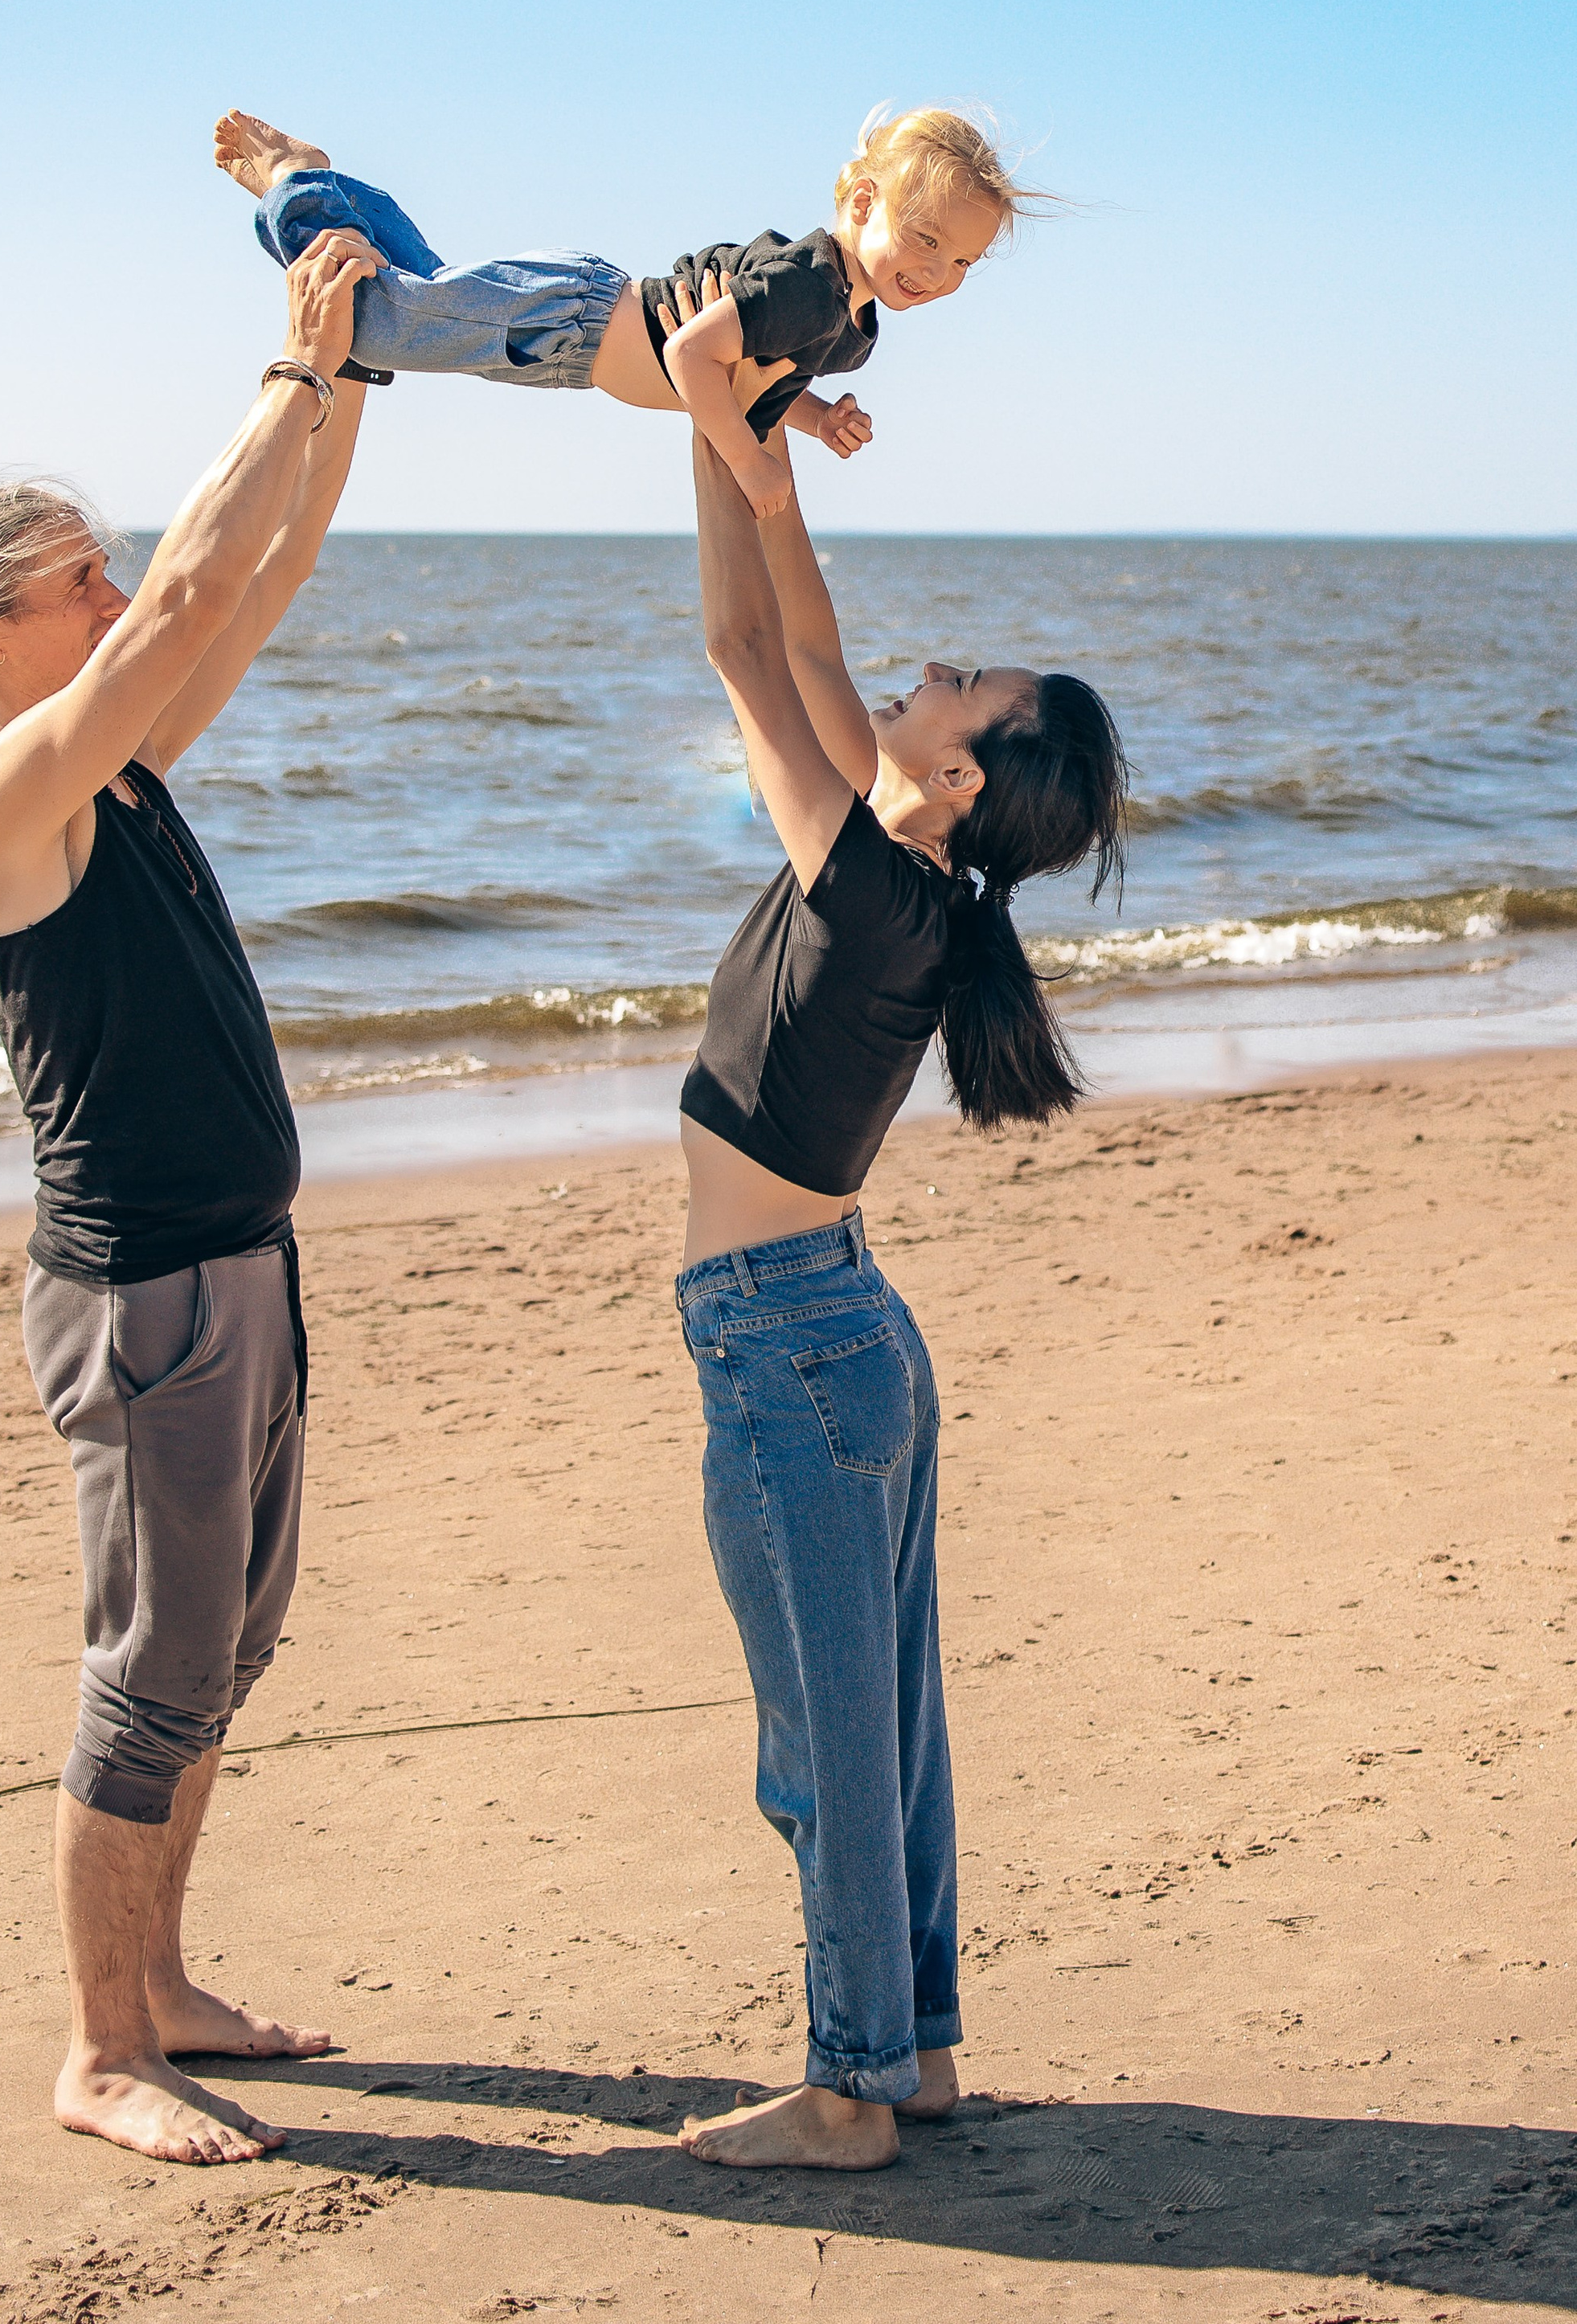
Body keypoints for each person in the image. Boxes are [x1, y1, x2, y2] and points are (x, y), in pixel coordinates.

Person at [0, 228, 376, 2167]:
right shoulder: (7, 800)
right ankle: (99, 2049)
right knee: (150, 1669)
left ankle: (163, 1989)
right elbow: (178, 590)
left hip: (238, 1272)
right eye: (68, 573)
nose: (108, 592)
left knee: (215, 1661)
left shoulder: (117, 765)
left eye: (98, 561)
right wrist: (279, 363)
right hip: (146, 1298)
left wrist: (342, 388)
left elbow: (253, 574)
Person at [669, 407, 1128, 2171]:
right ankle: (912, 2047)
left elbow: (766, 651)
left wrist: (746, 450)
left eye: (961, 688)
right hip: (831, 1330)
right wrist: (723, 434)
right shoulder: (900, 876)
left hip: (793, 1345)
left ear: (955, 781)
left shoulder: (872, 888)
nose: (928, 672)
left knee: (829, 1743)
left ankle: (851, 2085)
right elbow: (758, 644)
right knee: (879, 1723)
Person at [212, 102, 1027, 522]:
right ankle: (297, 184)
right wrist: (746, 460)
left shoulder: (845, 317)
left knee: (424, 284)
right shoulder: (808, 281)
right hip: (572, 322)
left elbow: (761, 370)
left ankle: (335, 191)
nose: (935, 271)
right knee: (372, 324)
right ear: (861, 201)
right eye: (923, 239)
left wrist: (817, 420)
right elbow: (692, 358)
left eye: (961, 261)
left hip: (573, 330)